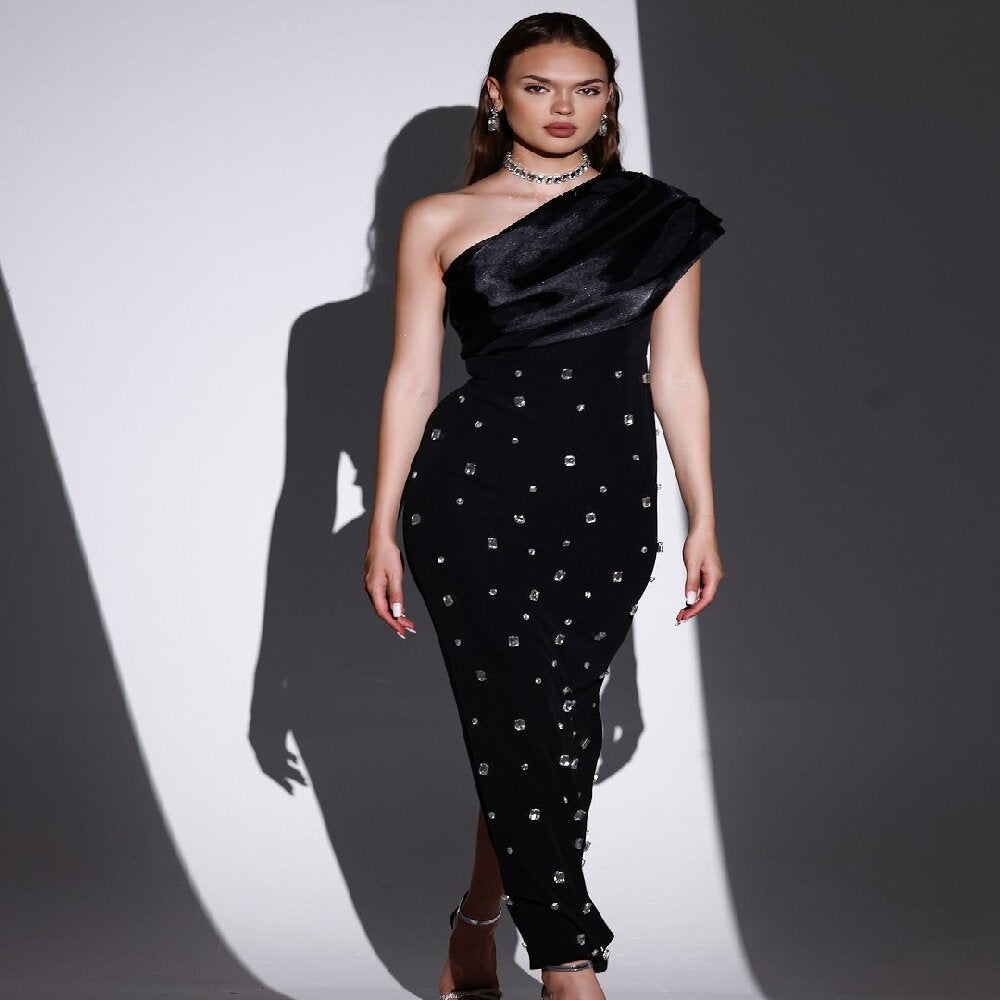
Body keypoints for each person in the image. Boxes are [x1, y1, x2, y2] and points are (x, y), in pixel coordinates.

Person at [364, 12, 726, 1000]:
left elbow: (678, 375)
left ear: (610, 100)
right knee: (528, 721)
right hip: (471, 496)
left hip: (608, 500)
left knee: (550, 728)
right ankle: (569, 964)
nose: (563, 107)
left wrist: (703, 514)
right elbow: (411, 379)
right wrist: (382, 524)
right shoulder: (437, 219)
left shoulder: (658, 217)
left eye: (586, 89)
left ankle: (474, 930)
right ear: (496, 94)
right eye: (538, 86)